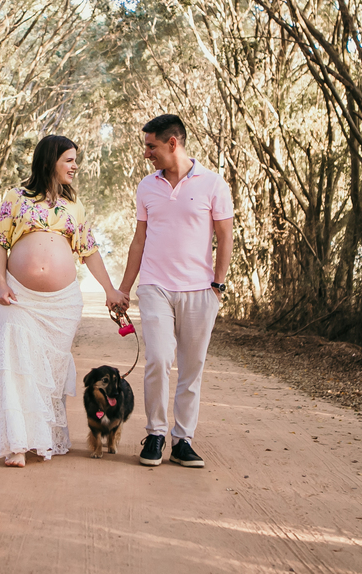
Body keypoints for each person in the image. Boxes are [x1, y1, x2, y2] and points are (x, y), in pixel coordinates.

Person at [0, 135, 128, 467]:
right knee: (20, 366)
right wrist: (1, 283)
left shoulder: (74, 207)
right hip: (20, 298)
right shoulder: (16, 197)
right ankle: (18, 445)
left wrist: (110, 290)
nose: (75, 166)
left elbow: (89, 251)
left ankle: (42, 438)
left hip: (62, 304)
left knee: (49, 373)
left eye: (75, 160)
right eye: (69, 159)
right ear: (50, 160)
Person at [117, 114, 233, 468]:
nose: (146, 153)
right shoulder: (146, 186)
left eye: (151, 146)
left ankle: (183, 440)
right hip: (155, 287)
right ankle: (155, 433)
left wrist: (218, 284)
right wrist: (124, 290)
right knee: (158, 358)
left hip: (200, 291)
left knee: (191, 367)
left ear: (173, 143)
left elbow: (225, 235)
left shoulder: (213, 184)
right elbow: (139, 240)